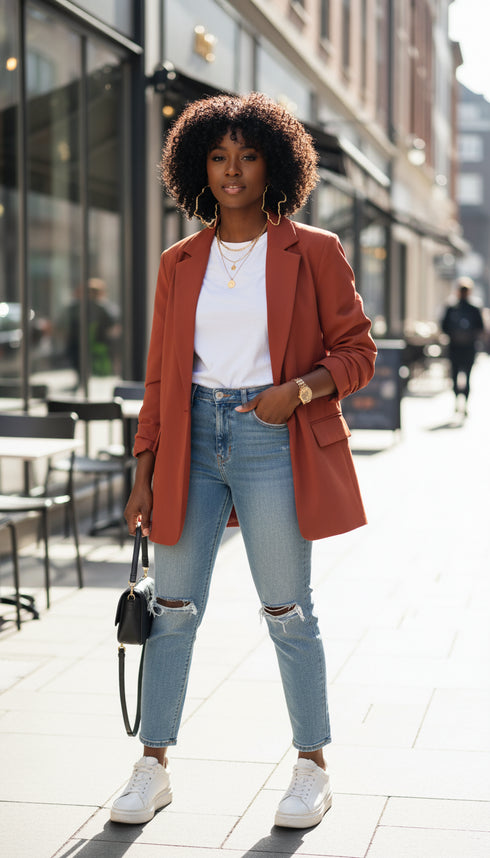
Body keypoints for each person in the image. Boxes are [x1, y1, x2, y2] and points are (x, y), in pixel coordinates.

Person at [110, 92, 376, 830]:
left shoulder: (314, 250)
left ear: (274, 164)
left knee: (288, 610)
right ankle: (151, 765)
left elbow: (358, 354)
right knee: (171, 608)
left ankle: (310, 767)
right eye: (219, 157)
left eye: (247, 155)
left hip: (273, 435)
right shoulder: (179, 262)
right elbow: (164, 374)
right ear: (199, 166)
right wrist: (143, 469)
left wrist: (297, 390)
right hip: (190, 440)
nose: (232, 171)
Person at [441, 276, 484, 413]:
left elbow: (480, 327)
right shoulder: (451, 307)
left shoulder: (474, 308)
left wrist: (468, 335)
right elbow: (444, 326)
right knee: (455, 376)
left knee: (467, 376)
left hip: (468, 347)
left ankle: (464, 403)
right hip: (455, 347)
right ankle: (457, 401)